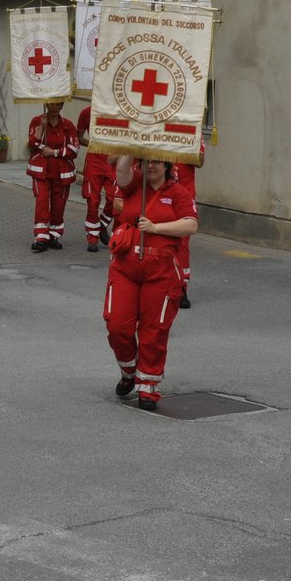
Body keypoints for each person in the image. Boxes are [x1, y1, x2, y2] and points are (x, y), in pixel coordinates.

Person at [103, 156, 198, 410]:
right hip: (126, 267)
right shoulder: (134, 185)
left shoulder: (178, 193)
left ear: (167, 166)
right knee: (117, 325)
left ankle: (149, 387)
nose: (151, 166)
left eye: (157, 161)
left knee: (154, 329)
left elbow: (191, 224)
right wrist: (130, 144)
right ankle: (129, 371)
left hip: (161, 271)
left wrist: (156, 228)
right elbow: (122, 170)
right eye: (146, 161)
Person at [25, 100, 78, 251]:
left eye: (57, 105)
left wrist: (54, 152)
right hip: (41, 169)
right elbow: (32, 144)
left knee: (59, 204)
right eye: (51, 105)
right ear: (46, 105)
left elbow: (73, 150)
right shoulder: (37, 121)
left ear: (61, 106)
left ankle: (54, 235)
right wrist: (41, 127)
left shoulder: (68, 125)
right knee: (41, 201)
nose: (53, 108)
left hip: (62, 172)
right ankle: (41, 236)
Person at [77, 104, 117, 252]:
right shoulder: (86, 112)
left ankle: (101, 226)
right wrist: (92, 144)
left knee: (114, 199)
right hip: (94, 160)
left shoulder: (117, 111)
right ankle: (92, 237)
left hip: (113, 160)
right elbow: (79, 136)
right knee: (92, 200)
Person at [173, 140, 205, 307]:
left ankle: (182, 287)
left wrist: (181, 145)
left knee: (182, 242)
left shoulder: (191, 129)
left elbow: (199, 161)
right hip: (161, 192)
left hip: (184, 195)